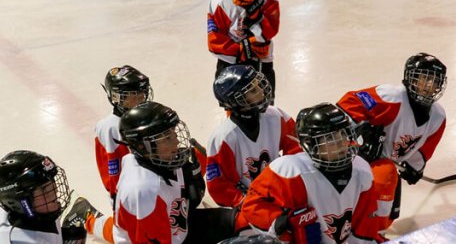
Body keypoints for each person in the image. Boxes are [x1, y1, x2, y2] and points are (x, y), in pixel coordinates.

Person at [85, 101, 235, 243]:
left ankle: (91, 220)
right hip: (168, 235)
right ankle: (89, 220)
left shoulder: (158, 159)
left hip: (176, 227)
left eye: (173, 133)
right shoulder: (144, 190)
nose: (176, 141)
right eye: (166, 138)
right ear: (143, 147)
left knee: (242, 221)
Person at [336, 52, 448, 235]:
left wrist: (414, 168)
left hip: (387, 165)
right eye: (423, 79)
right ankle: (368, 233)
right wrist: (361, 132)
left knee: (388, 214)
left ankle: (373, 231)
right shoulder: (391, 96)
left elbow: (425, 148)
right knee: (383, 175)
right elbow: (347, 105)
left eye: (434, 81)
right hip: (356, 159)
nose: (428, 85)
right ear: (410, 78)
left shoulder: (438, 117)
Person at [237, 103, 382, 243]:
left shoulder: (361, 170)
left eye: (342, 134)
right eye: (330, 138)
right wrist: (283, 224)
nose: (340, 142)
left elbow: (364, 227)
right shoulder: (287, 171)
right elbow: (251, 207)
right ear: (309, 144)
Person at [206, 65, 300, 213]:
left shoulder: (277, 116)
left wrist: (292, 181)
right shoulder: (223, 138)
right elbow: (218, 186)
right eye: (253, 90)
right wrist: (247, 202)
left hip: (279, 191)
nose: (262, 91)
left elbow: (296, 149)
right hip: (248, 205)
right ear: (237, 100)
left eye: (258, 85)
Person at [208, 0, 281, 100]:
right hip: (231, 67)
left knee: (266, 107)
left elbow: (271, 30)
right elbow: (215, 42)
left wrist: (255, 14)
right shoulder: (219, 3)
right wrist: (242, 49)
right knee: (235, 109)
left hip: (262, 63)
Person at [0, 150, 103, 243]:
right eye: (44, 189)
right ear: (23, 202)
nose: (55, 190)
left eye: (52, 183)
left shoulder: (23, 208)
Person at [93, 65, 152, 203]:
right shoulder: (110, 127)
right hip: (130, 196)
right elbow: (114, 173)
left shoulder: (145, 116)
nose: (142, 97)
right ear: (116, 97)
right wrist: (118, 198)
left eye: (143, 92)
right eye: (134, 94)